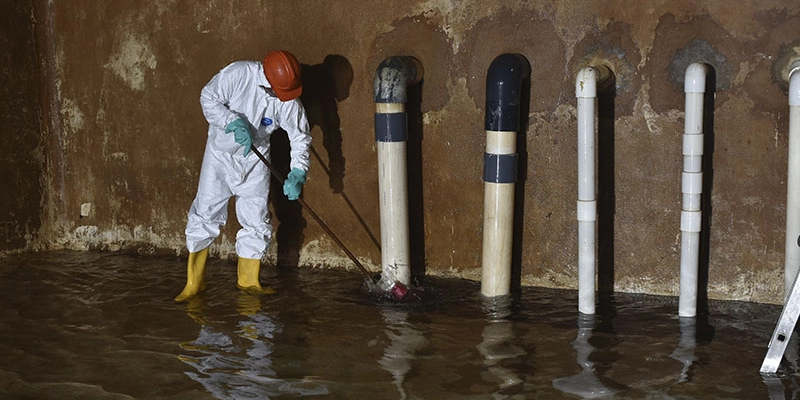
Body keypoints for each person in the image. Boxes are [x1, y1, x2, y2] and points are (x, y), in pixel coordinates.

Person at [175, 50, 312, 302]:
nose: (281, 99)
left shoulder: (287, 97)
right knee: (205, 214)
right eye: (276, 92)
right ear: (267, 78)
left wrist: (298, 171)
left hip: (256, 158)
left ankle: (248, 282)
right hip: (220, 157)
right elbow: (208, 97)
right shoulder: (239, 74)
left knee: (256, 218)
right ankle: (195, 282)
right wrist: (231, 121)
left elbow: (300, 136)